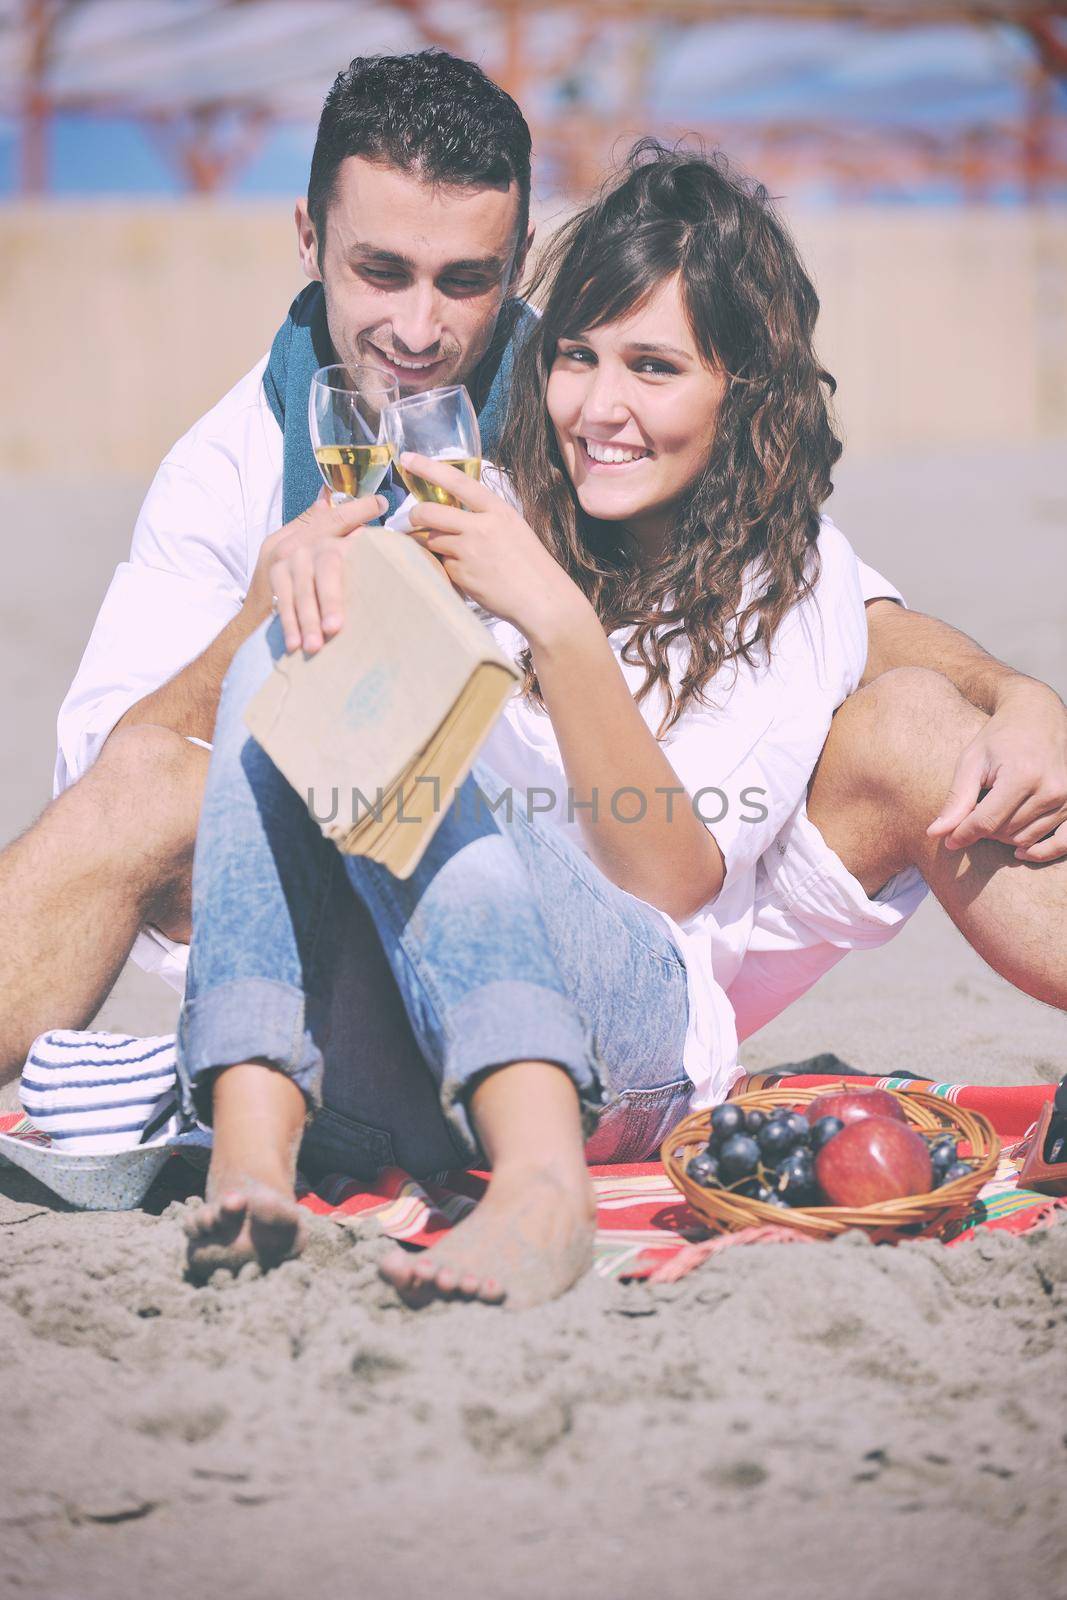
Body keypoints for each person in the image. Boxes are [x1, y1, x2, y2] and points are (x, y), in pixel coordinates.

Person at [1, 48, 1065, 1086]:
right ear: (307, 236)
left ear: (515, 268)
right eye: (382, 271)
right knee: (174, 772)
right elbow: (104, 784)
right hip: (376, 915)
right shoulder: (229, 462)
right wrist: (254, 628)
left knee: (918, 718)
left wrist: (1017, 695)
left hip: (643, 933)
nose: (419, 328)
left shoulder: (579, 416)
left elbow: (837, 607)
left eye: (465, 281)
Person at [178, 143, 1066, 1306]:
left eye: (653, 367)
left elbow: (671, 881)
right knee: (292, 649)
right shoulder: (484, 501)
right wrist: (333, 590)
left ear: (737, 389)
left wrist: (554, 619)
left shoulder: (788, 588)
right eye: (578, 357)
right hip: (415, 1045)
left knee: (419, 749)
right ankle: (252, 1139)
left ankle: (544, 1182)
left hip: (626, 1048)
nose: (600, 408)